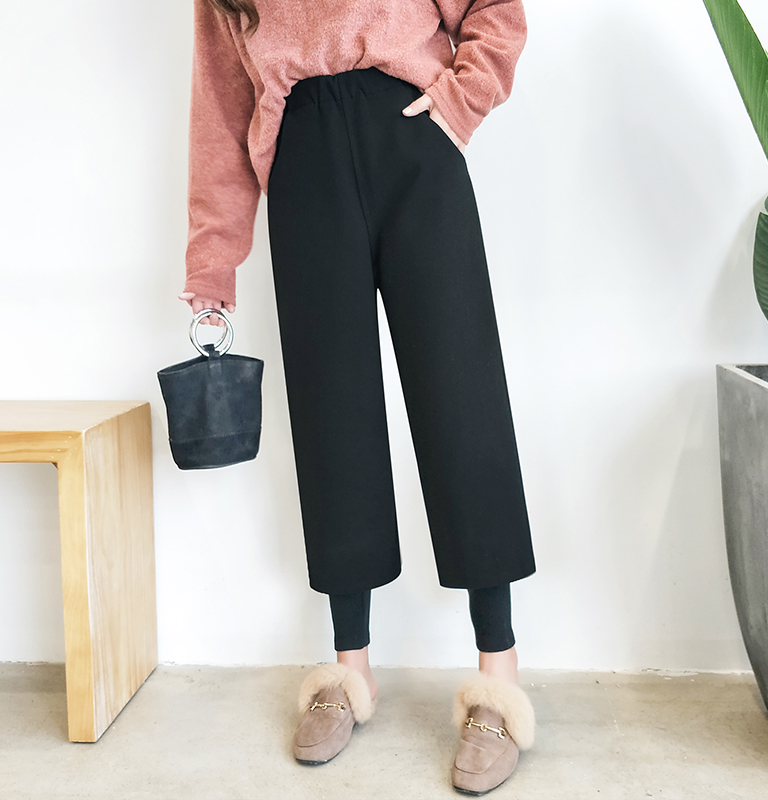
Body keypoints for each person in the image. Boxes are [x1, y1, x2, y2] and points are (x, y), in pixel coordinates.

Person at [178, 0, 536, 793]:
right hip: (302, 156)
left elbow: (494, 11)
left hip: (413, 136)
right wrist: (213, 262)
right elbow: (220, 101)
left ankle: (499, 675)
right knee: (331, 414)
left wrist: (461, 98)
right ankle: (350, 669)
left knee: (462, 397)